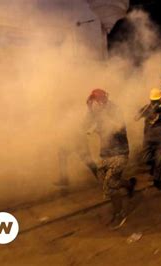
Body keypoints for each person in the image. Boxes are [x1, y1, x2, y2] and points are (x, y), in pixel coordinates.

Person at [58, 89, 136, 229]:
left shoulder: (114, 110)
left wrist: (105, 126)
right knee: (104, 181)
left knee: (110, 185)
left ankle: (119, 214)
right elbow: (84, 125)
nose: (93, 107)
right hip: (105, 153)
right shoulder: (95, 112)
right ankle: (129, 185)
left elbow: (121, 129)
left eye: (95, 103)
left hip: (119, 153)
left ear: (101, 102)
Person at [135, 88, 161, 190]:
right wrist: (138, 115)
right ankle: (153, 165)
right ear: (150, 100)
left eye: (157, 100)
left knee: (159, 161)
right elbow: (135, 118)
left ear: (160, 99)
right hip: (147, 139)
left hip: (160, 139)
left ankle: (157, 180)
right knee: (146, 159)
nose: (155, 103)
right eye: (153, 101)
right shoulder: (146, 108)